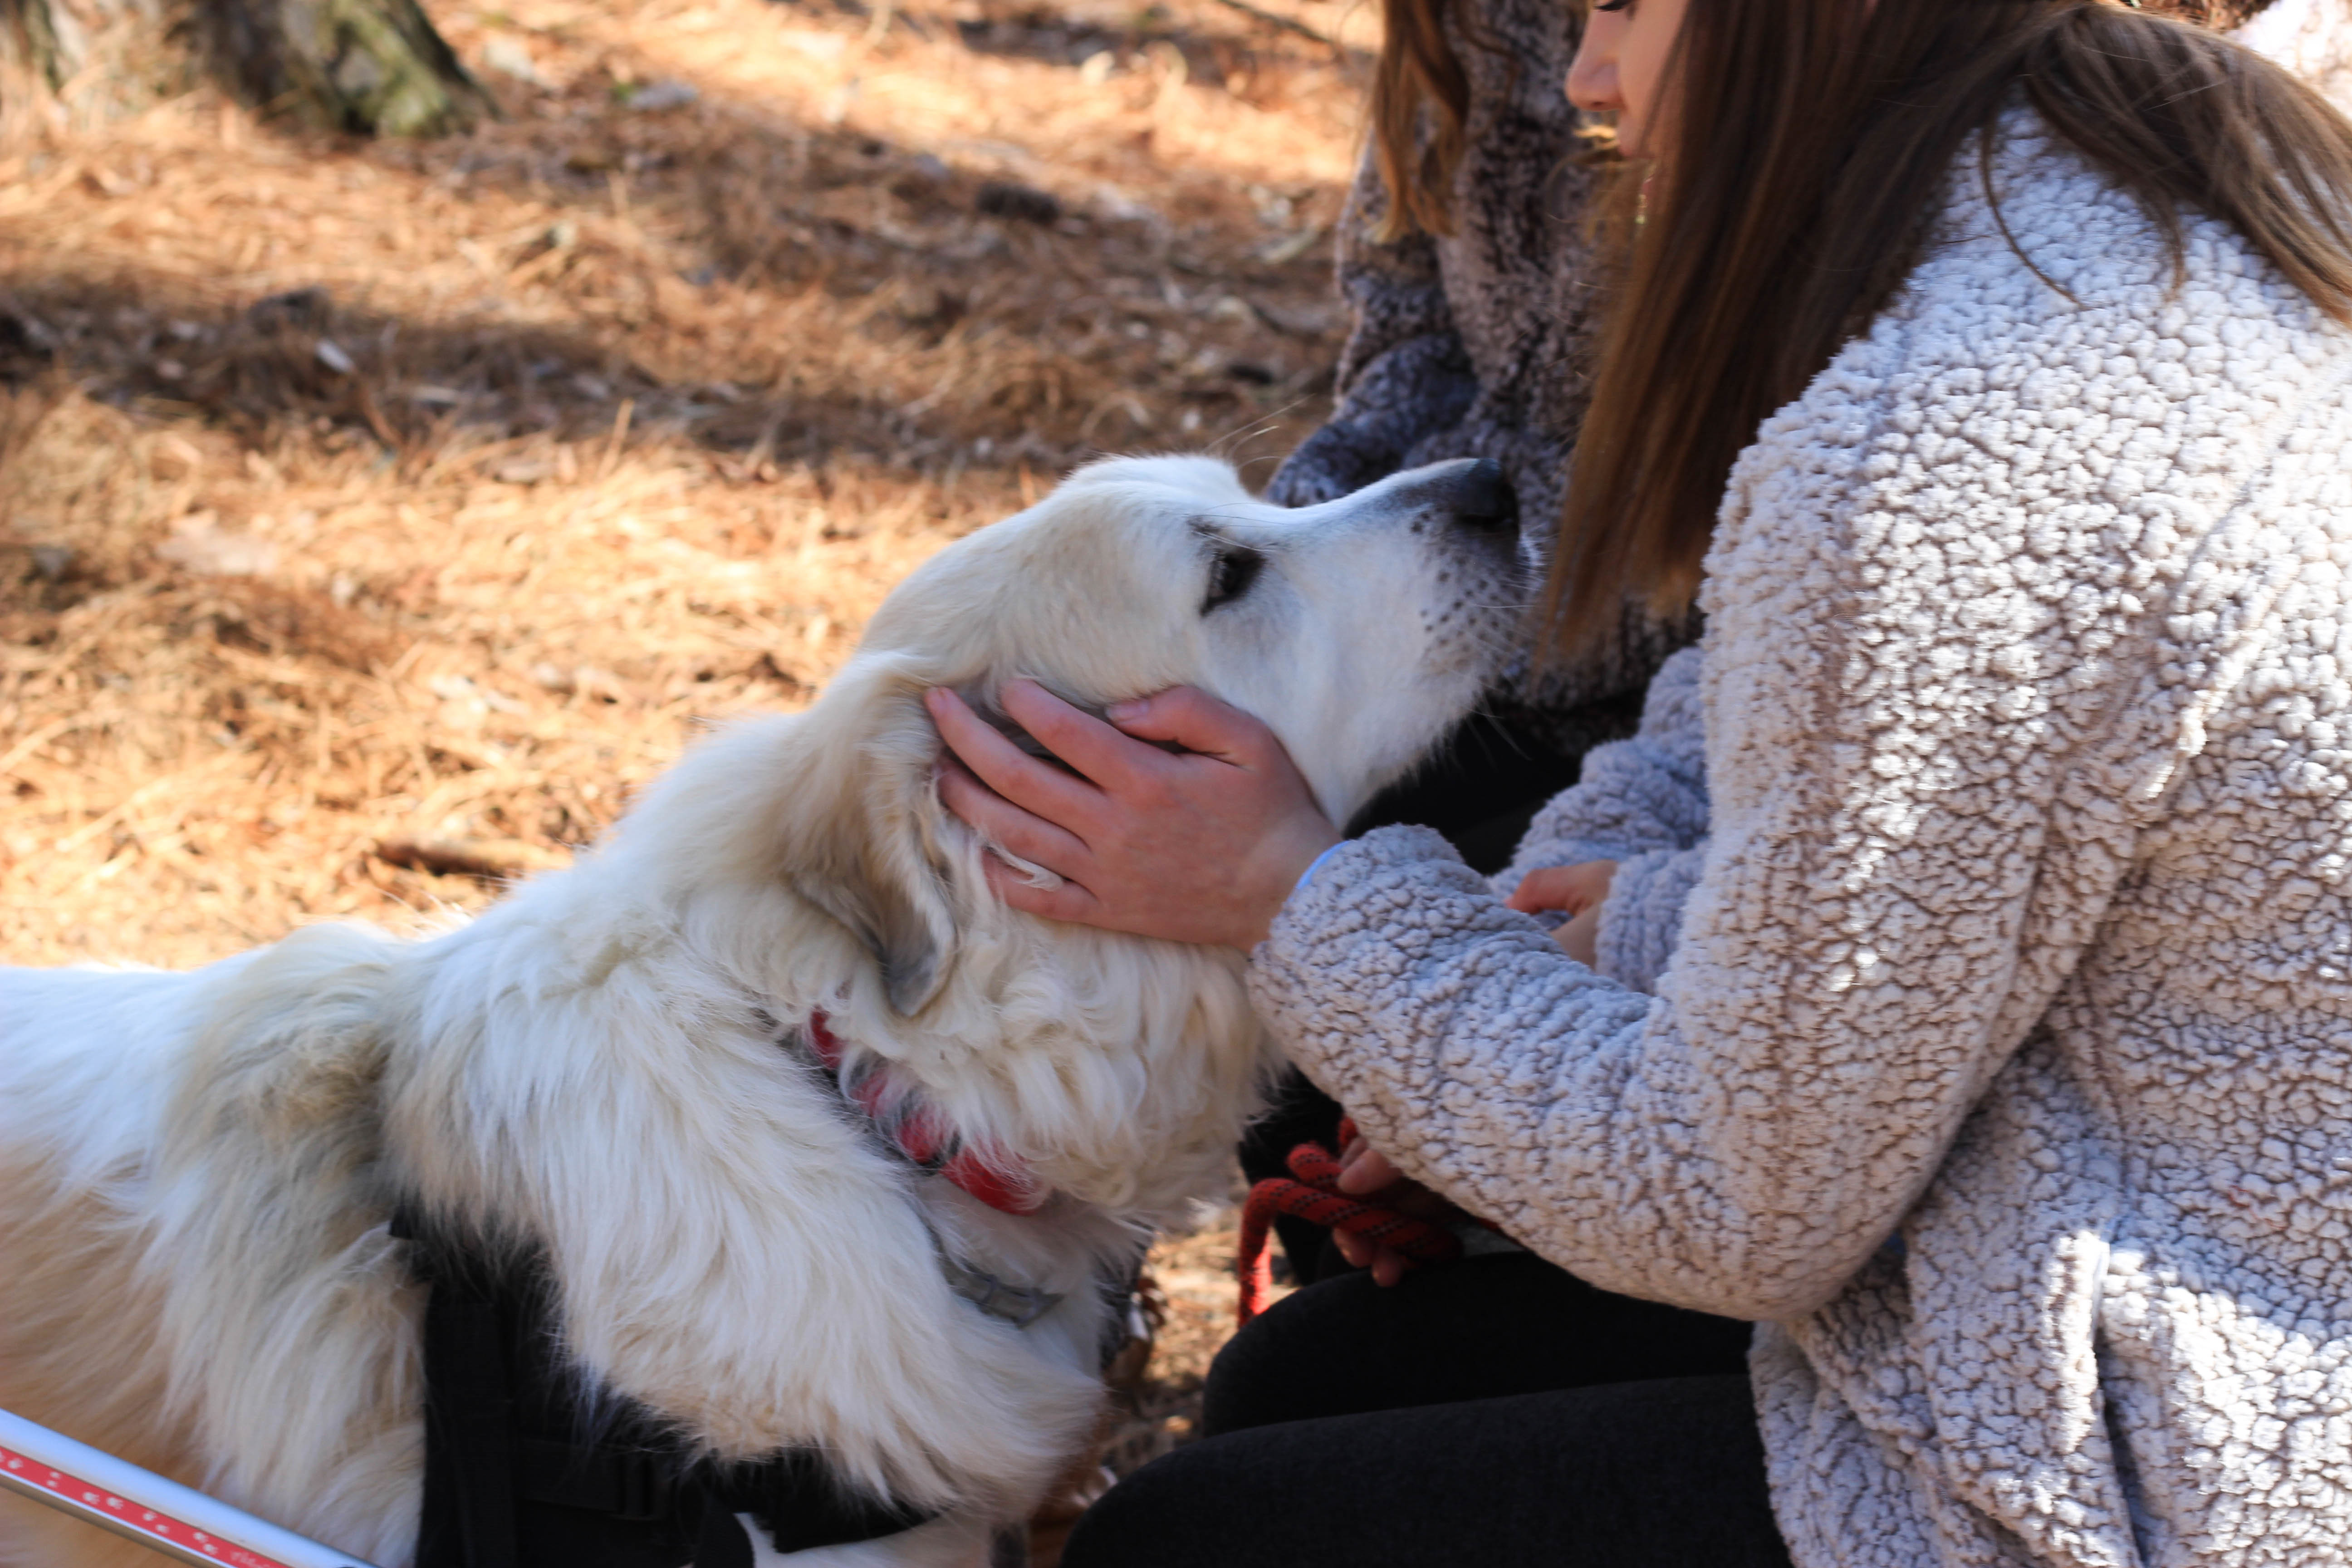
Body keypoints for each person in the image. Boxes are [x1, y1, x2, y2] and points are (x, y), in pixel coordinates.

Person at [927, 0, 2352, 1560]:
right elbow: (1762, 711)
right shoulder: (2093, 203)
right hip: (2110, 1247)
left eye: (1618, 5)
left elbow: (1733, 1201)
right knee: (1302, 1376)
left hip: (2186, 1458)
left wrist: (1294, 899)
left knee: (1189, 1544)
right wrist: (1537, 943)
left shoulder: (1954, 435)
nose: (1581, 76)